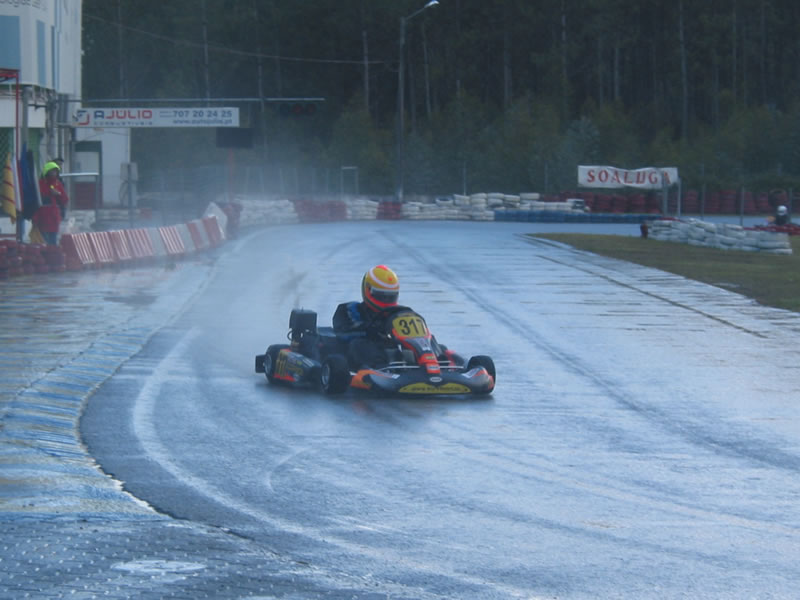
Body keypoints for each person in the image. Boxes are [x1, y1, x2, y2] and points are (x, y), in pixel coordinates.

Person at [332, 265, 457, 370]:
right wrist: (371, 329)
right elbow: (343, 333)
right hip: (367, 351)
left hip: (395, 348)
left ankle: (439, 366)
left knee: (434, 343)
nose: (386, 300)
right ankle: (381, 370)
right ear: (368, 291)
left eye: (390, 296)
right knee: (359, 344)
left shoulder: (399, 313)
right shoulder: (349, 309)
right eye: (382, 296)